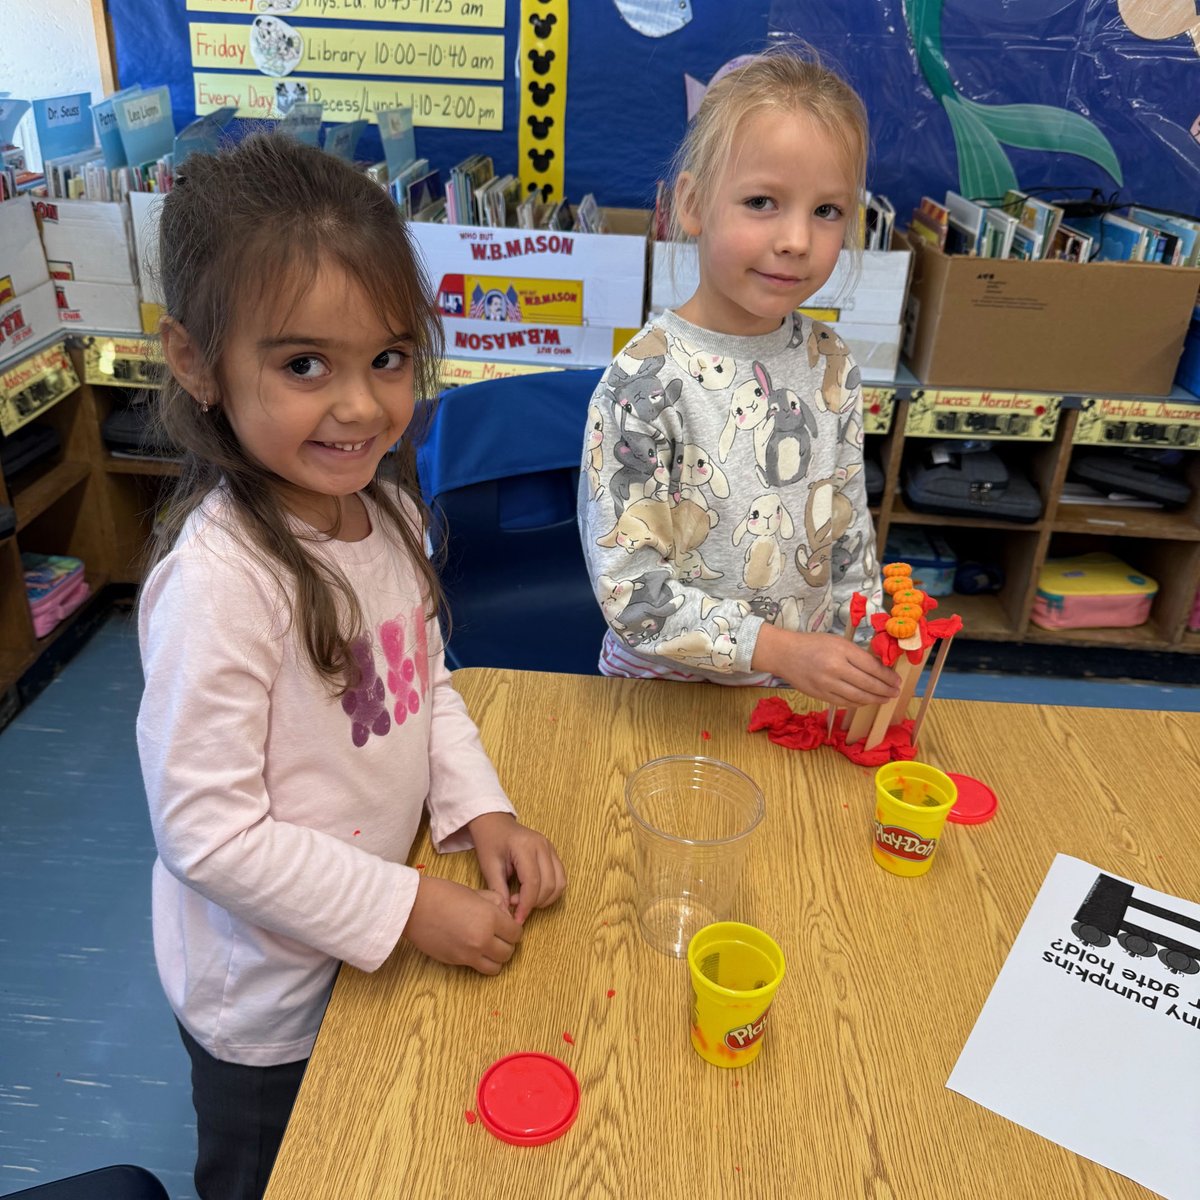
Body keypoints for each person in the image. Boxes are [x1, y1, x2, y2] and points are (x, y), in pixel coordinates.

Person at [136, 134, 566, 1200]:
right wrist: (408, 907)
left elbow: (423, 684)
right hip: (267, 1010)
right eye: (302, 366)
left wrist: (482, 811)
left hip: (376, 943)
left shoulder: (387, 509)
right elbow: (208, 833)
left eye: (388, 357)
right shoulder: (220, 585)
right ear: (195, 361)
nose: (364, 406)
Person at [577, 45, 899, 710]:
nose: (797, 240)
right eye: (762, 202)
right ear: (693, 204)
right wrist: (781, 650)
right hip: (661, 694)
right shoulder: (643, 381)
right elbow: (632, 594)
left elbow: (845, 531)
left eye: (827, 211)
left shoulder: (831, 362)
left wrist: (867, 638)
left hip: (795, 689)